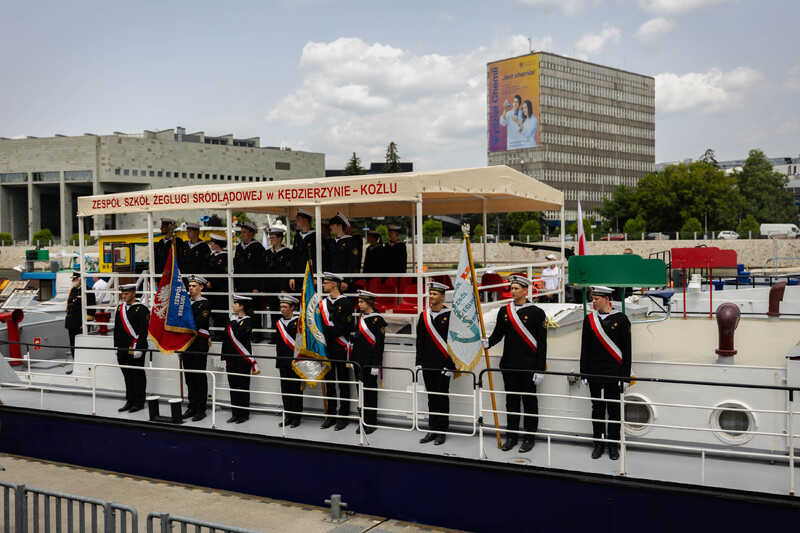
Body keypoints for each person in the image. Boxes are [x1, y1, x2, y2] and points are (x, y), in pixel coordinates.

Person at [483, 275, 548, 453]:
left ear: (525, 291)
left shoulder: (536, 312)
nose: (512, 291)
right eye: (511, 288)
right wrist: (488, 342)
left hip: (528, 366)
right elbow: (498, 334)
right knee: (511, 402)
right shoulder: (504, 311)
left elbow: (542, 343)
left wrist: (540, 369)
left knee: (529, 402)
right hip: (509, 364)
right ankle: (511, 437)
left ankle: (529, 438)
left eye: (516, 288)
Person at [580, 286, 632, 461]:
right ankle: (599, 444)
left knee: (614, 411)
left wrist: (625, 377)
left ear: (607, 299)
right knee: (597, 410)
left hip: (614, 374)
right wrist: (584, 372)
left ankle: (613, 445)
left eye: (596, 299)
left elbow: (627, 350)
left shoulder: (621, 319)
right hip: (595, 372)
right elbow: (585, 348)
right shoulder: (589, 320)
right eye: (593, 298)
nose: (593, 302)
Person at [415, 281, 454, 446]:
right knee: (431, 398)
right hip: (428, 363)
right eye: (430, 293)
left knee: (442, 397)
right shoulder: (424, 315)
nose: (431, 296)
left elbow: (455, 342)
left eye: (435, 294)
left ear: (442, 296)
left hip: (443, 365)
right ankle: (432, 429)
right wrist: (418, 361)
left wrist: (451, 365)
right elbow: (420, 340)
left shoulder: (451, 316)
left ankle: (442, 430)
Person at [319, 272, 354, 431]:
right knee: (330, 383)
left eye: (325, 282)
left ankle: (343, 416)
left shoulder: (346, 303)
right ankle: (331, 415)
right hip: (327, 348)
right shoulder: (323, 304)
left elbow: (346, 328)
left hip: (341, 348)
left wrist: (326, 331)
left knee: (343, 383)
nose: (323, 285)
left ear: (333, 284)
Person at [350, 290, 386, 435]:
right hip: (358, 362)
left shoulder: (378, 320)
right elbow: (356, 342)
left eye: (361, 302)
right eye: (358, 301)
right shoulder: (360, 318)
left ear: (369, 303)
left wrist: (376, 364)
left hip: (370, 363)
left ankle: (371, 422)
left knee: (370, 394)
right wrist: (352, 360)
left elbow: (379, 345)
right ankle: (363, 420)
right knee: (361, 393)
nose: (359, 304)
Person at [221, 294, 260, 424]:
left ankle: (243, 414)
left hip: (243, 359)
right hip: (231, 358)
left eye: (235, 304)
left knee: (242, 387)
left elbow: (238, 334)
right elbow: (225, 339)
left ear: (242, 306)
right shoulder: (232, 319)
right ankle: (235, 413)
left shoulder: (248, 321)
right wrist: (223, 357)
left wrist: (233, 321)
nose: (233, 305)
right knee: (233, 386)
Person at [113, 284, 150, 413]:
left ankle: (139, 402)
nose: (123, 296)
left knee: (137, 375)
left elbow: (144, 331)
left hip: (135, 347)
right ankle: (130, 400)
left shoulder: (142, 309)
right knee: (127, 375)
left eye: (126, 294)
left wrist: (139, 348)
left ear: (133, 293)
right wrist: (116, 346)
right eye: (122, 294)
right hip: (122, 348)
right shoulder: (120, 308)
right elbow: (117, 328)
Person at [180, 275, 211, 422]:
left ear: (201, 287)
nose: (191, 288)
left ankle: (200, 409)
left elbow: (197, 323)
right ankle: (191, 406)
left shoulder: (204, 304)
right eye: (190, 286)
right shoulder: (186, 303)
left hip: (198, 344)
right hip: (187, 344)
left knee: (199, 377)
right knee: (189, 378)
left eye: (194, 286)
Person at [272, 294, 303, 428]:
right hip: (283, 361)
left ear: (292, 308)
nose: (282, 309)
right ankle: (288, 415)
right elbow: (278, 344)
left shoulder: (299, 322)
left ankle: (297, 417)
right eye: (281, 307)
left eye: (285, 307)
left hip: (295, 362)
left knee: (296, 390)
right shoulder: (279, 323)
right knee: (285, 390)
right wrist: (278, 361)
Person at [233, 221, 267, 341]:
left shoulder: (257, 247)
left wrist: (257, 286)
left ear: (251, 233)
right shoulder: (239, 247)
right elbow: (236, 267)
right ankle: (244, 332)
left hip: (252, 285)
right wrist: (235, 284)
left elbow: (260, 268)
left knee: (254, 310)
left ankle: (256, 334)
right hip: (241, 284)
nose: (242, 234)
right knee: (242, 309)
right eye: (241, 232)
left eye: (244, 232)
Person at [65, 271, 96, 361]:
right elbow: (69, 306)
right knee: (73, 345)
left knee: (81, 345)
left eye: (74, 279)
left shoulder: (87, 291)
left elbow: (91, 308)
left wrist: (87, 322)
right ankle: (75, 363)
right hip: (72, 323)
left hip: (81, 324)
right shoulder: (73, 290)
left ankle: (82, 363)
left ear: (80, 280)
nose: (73, 281)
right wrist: (68, 322)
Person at [264, 227, 291, 329]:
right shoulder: (268, 253)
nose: (271, 240)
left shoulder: (287, 252)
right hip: (270, 287)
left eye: (273, 237)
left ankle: (281, 332)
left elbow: (287, 271)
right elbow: (264, 270)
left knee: (282, 311)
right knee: (273, 311)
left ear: (280, 238)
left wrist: (284, 288)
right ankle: (274, 332)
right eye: (270, 238)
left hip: (280, 287)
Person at [328, 212, 361, 288]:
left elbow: (352, 262)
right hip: (333, 280)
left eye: (332, 225)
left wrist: (346, 280)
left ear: (339, 226)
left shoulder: (351, 241)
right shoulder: (332, 242)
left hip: (345, 281)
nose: (330, 227)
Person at [206, 234, 229, 341]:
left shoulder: (225, 256)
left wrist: (213, 283)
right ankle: (216, 332)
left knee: (221, 312)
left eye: (212, 243)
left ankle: (221, 333)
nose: (211, 244)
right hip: (212, 290)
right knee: (214, 312)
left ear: (217, 244)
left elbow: (224, 274)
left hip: (221, 289)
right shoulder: (213, 256)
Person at [288, 209, 316, 292]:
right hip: (298, 276)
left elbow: (319, 257)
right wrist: (292, 276)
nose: (296, 221)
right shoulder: (297, 237)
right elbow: (293, 257)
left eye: (298, 219)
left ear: (305, 220)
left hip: (311, 275)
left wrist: (315, 276)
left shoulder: (315, 236)